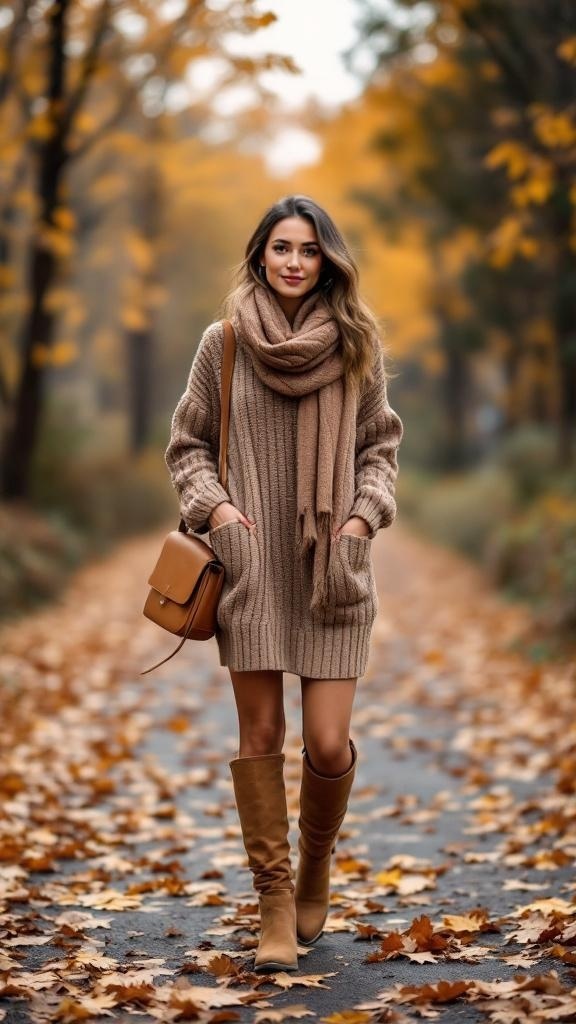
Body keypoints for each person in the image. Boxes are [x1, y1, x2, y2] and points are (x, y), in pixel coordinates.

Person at [164, 195, 403, 974]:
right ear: (260, 255)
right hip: (254, 567)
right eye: (281, 248)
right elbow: (188, 446)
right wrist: (220, 510)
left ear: (326, 260)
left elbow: (380, 450)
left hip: (332, 569)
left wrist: (362, 521)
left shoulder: (358, 346)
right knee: (261, 738)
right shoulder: (223, 343)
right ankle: (273, 904)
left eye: (308, 249)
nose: (294, 261)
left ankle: (314, 865)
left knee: (328, 744)